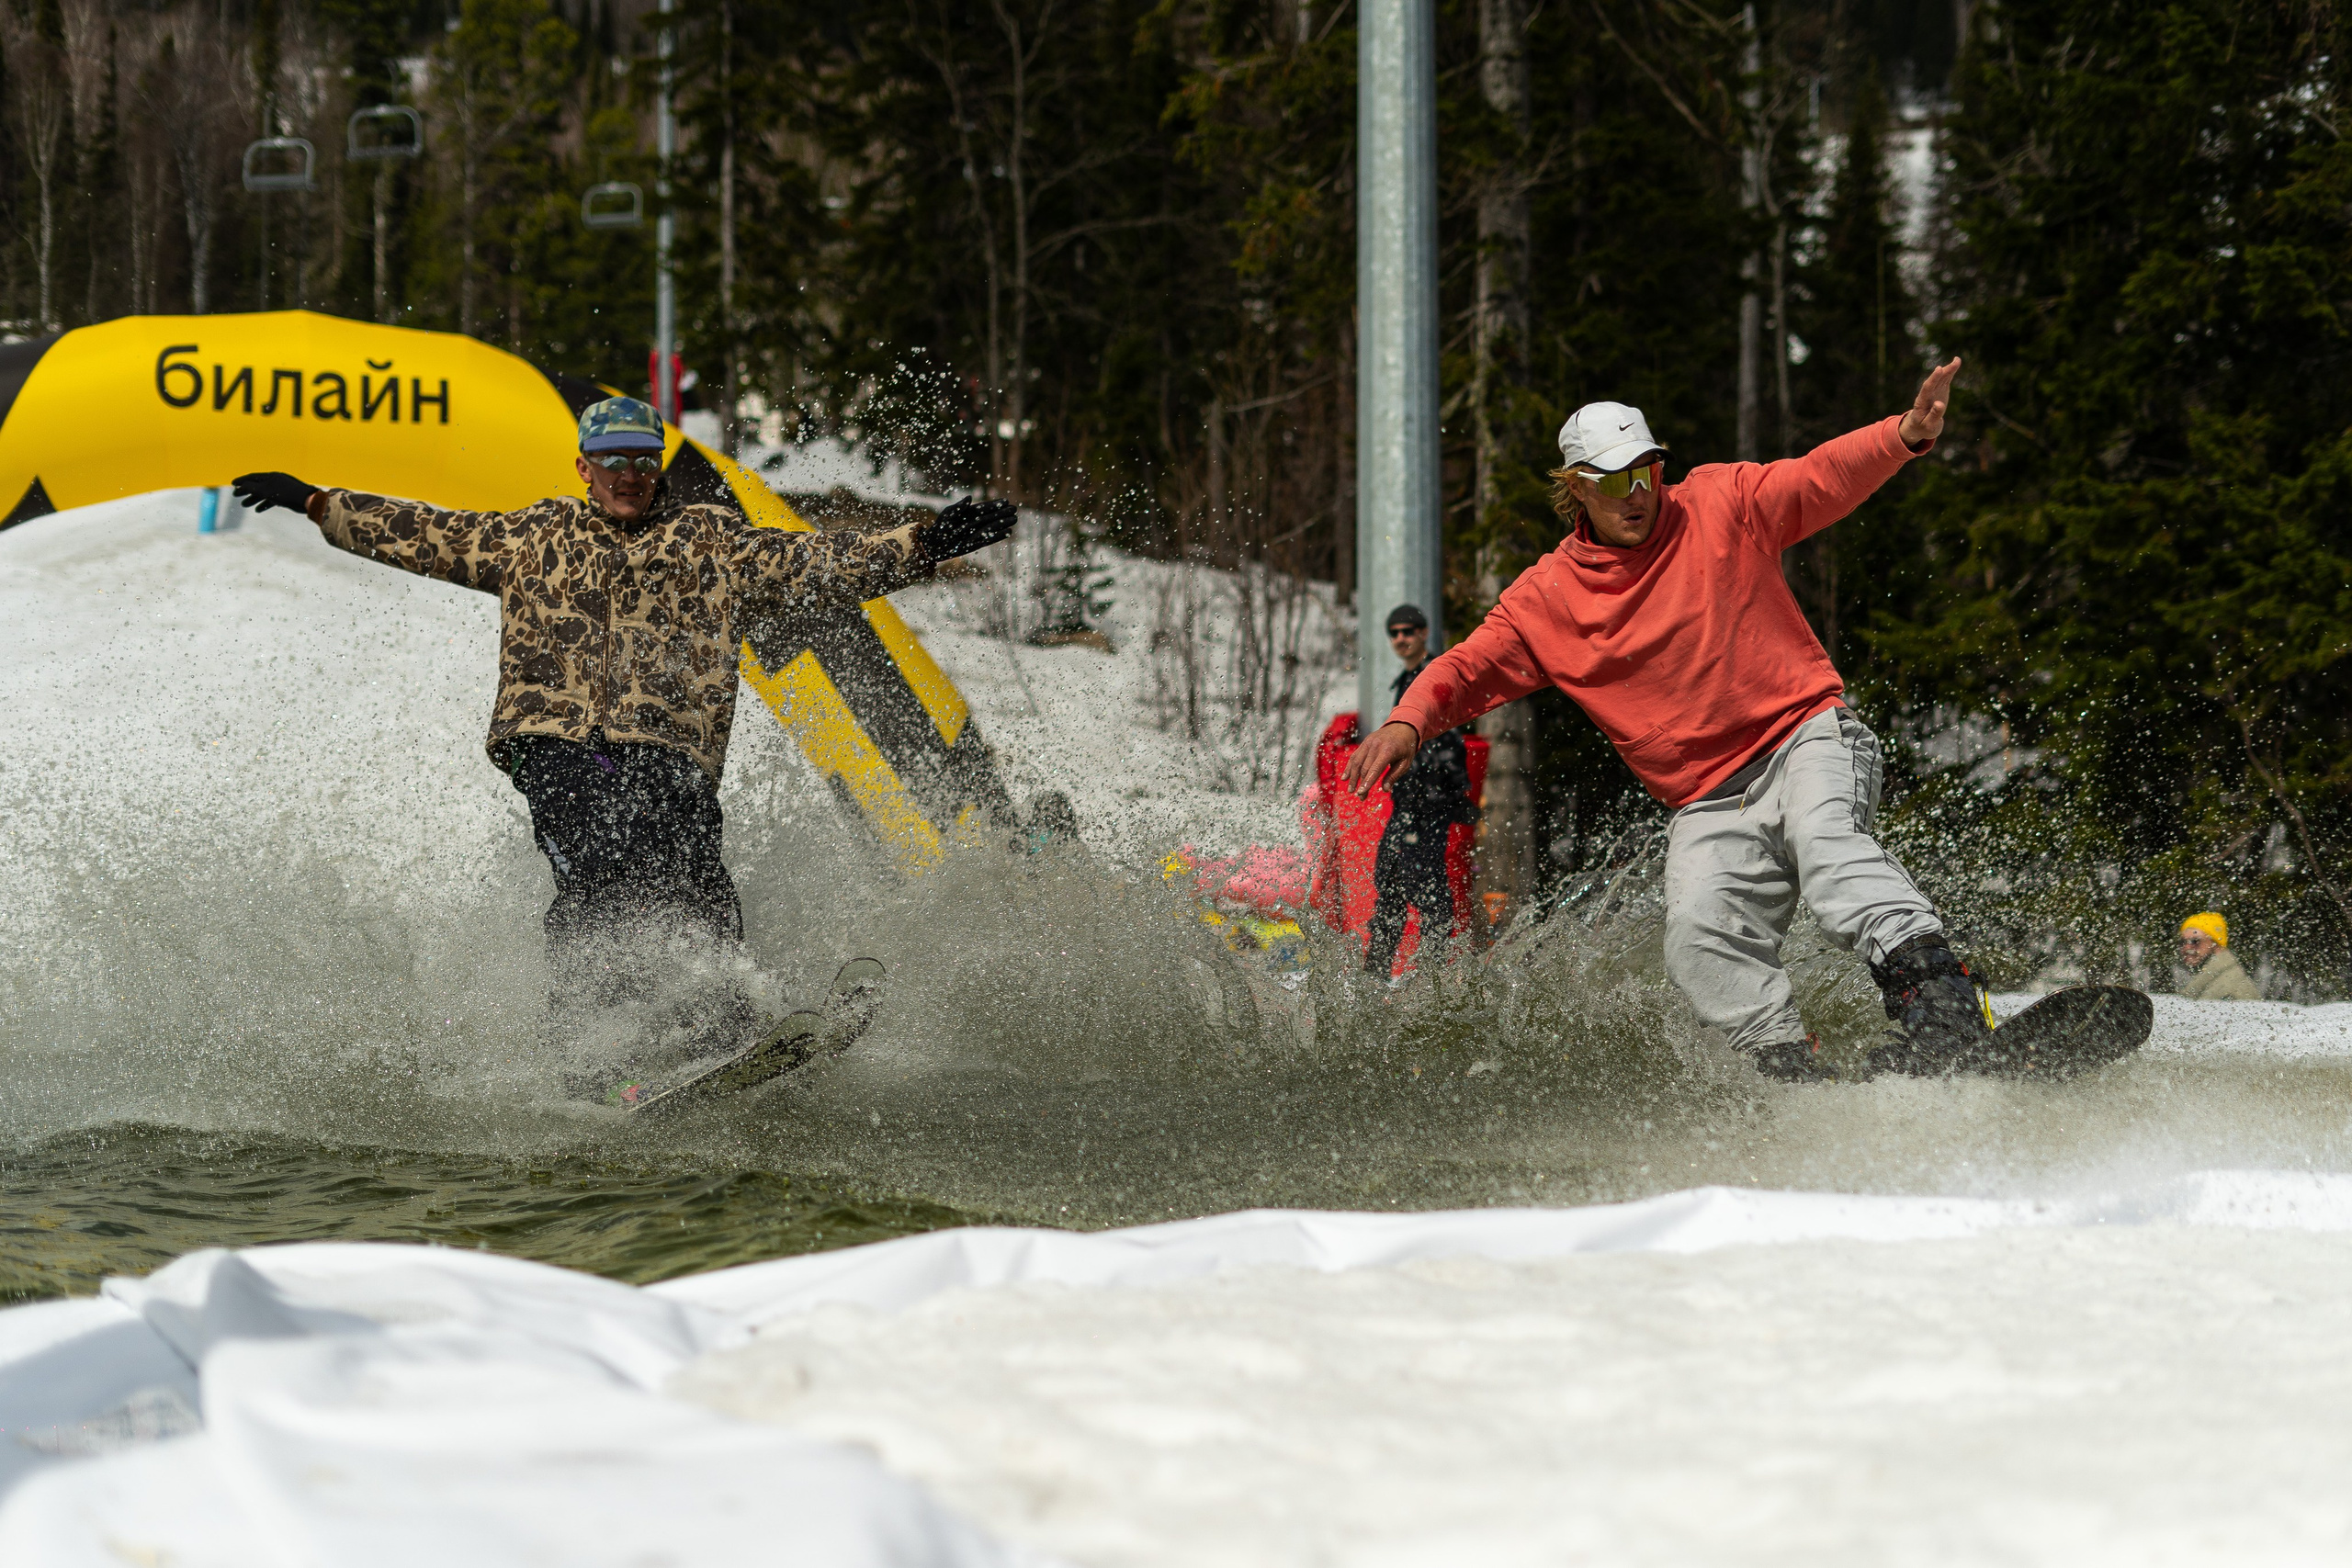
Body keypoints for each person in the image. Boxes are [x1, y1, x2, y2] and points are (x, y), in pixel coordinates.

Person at [230, 396, 1014, 1089]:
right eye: (613, 462)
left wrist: (927, 539)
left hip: (672, 750)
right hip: (558, 741)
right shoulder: (532, 535)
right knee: (607, 862)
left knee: (697, 881)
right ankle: (590, 1054)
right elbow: (429, 532)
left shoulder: (710, 541)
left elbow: (822, 561)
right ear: (583, 466)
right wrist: (317, 502)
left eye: (642, 461)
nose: (629, 476)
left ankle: (719, 1030)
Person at [1344, 359, 1989, 1081]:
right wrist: (1409, 720)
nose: (1638, 493)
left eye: (1648, 471)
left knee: (1827, 842)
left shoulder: (1720, 502)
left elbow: (1815, 476)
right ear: (1577, 487)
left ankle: (1945, 1005)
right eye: (1615, 480)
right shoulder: (1548, 599)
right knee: (1696, 935)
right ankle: (1791, 1073)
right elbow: (1467, 667)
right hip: (1706, 799)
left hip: (1805, 737)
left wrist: (1903, 435)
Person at [1363, 604, 1476, 978]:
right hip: (1409, 803)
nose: (1400, 639)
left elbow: (1452, 741)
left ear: (1424, 632)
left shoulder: (1431, 674)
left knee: (1429, 892)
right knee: (1391, 883)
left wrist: (1444, 795)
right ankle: (1375, 977)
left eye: (1408, 631)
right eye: (1394, 632)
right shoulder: (1409, 677)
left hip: (1428, 805)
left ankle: (1432, 981)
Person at [2176, 912, 2259, 1000]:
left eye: (2195, 941)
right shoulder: (2209, 981)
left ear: (2215, 943)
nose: (2187, 947)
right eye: (2183, 942)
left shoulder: (2229, 990)